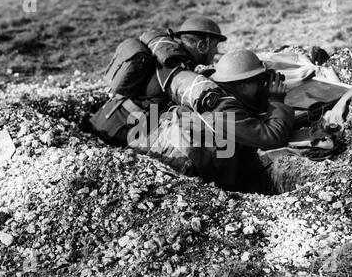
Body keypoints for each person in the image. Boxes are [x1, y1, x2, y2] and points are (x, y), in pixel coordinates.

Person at [130, 49, 295, 193]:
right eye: (258, 81)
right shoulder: (223, 107)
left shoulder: (207, 88)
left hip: (161, 155)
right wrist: (276, 100)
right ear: (242, 86)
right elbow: (273, 137)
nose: (263, 85)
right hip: (176, 177)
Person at [89, 16, 227, 147]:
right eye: (215, 45)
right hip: (117, 133)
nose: (216, 51)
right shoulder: (174, 66)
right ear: (202, 45)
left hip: (107, 120)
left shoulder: (168, 56)